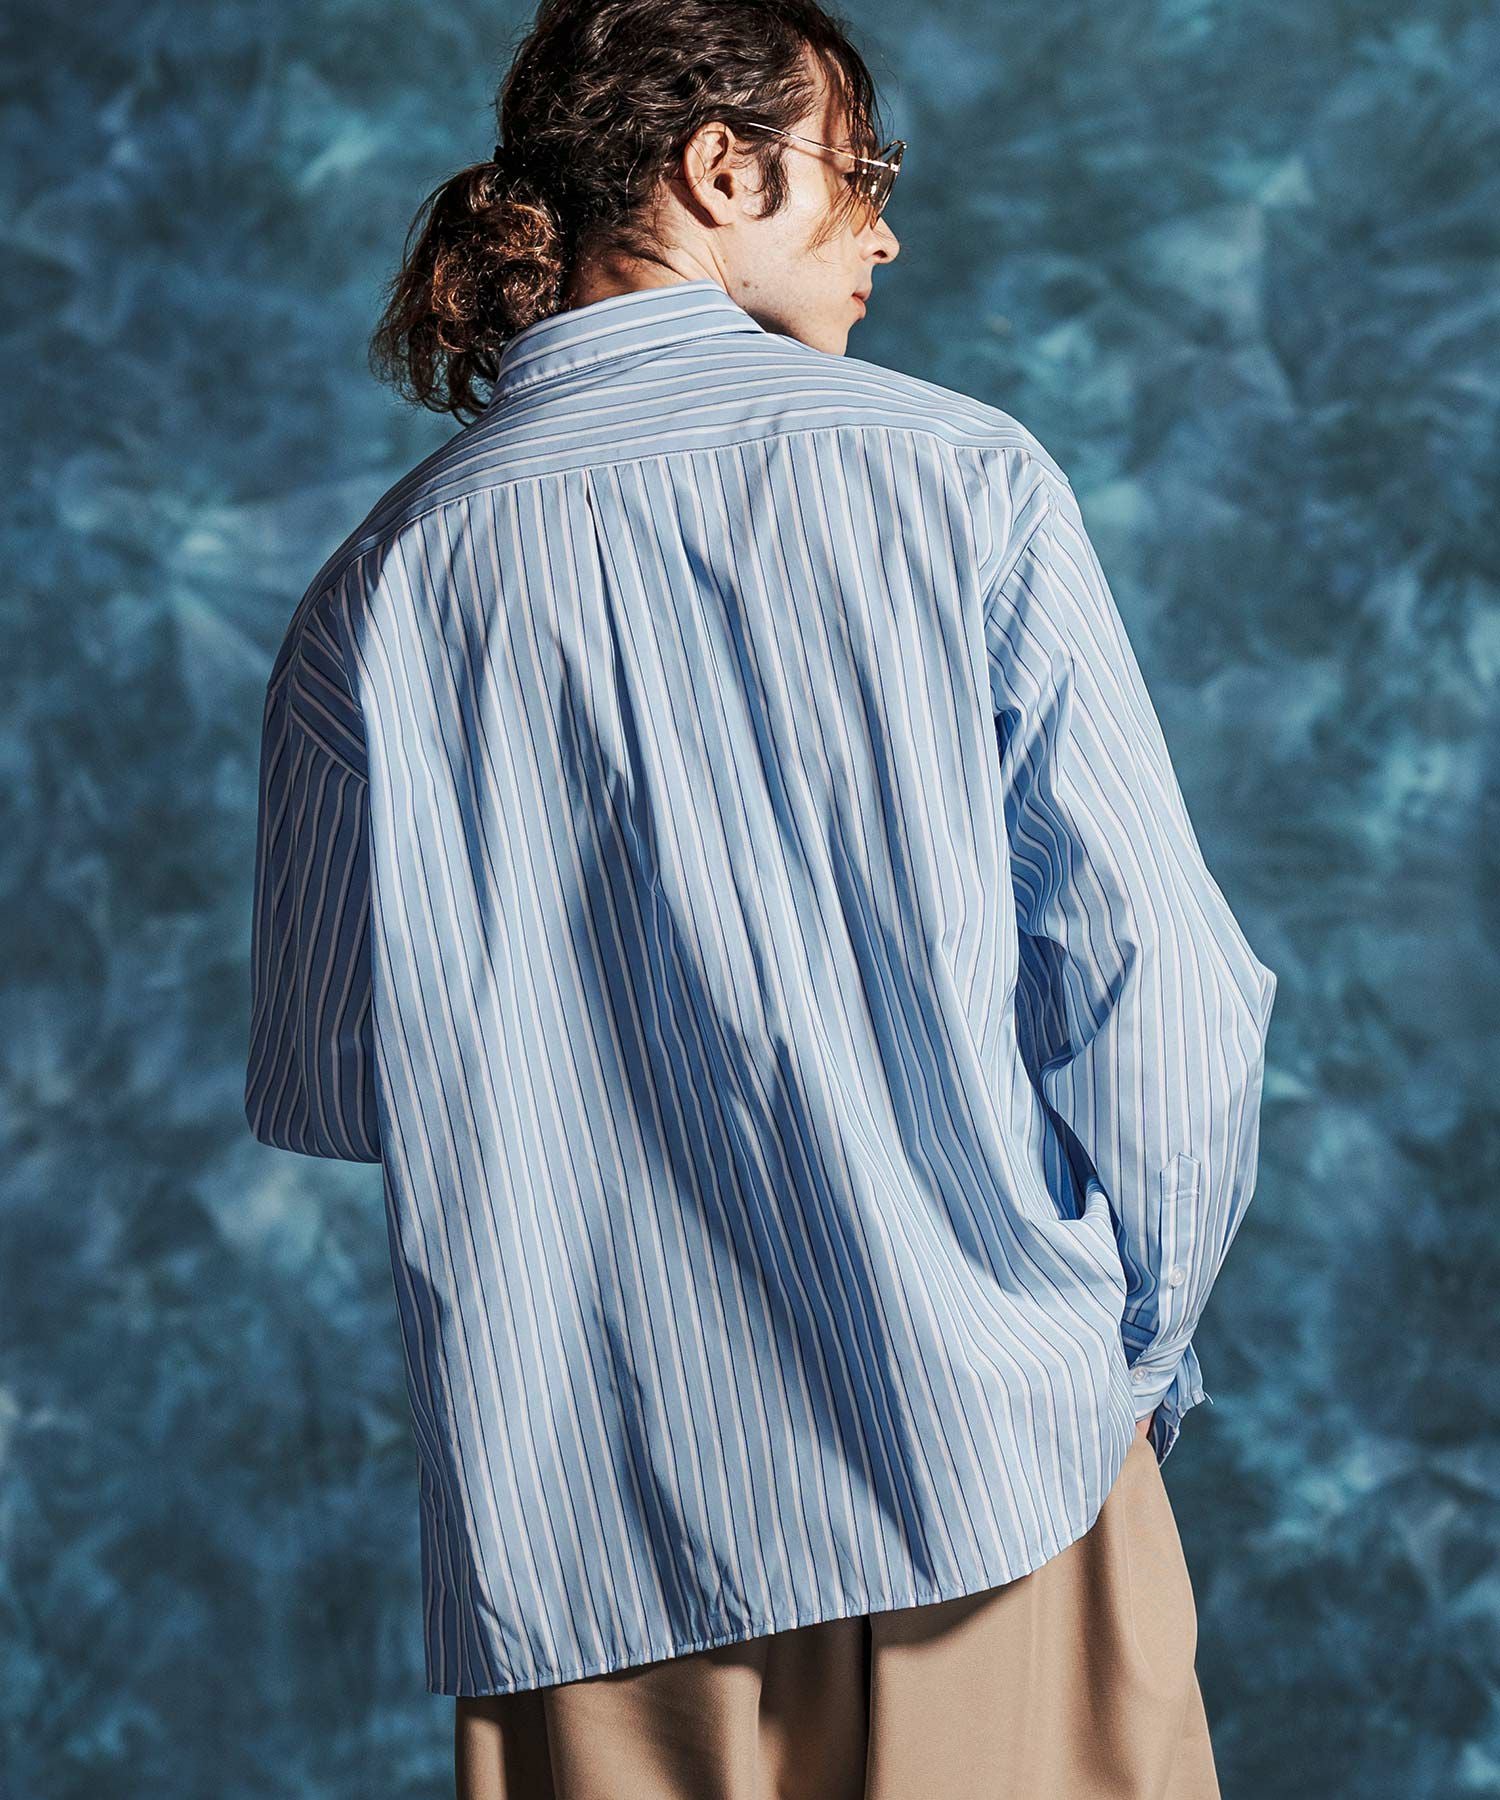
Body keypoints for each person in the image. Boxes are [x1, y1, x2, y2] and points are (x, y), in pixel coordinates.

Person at [244, 0, 1277, 1792]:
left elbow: (345, 1085)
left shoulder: (377, 593)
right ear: (725, 168)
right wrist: (1122, 1362)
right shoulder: (957, 476)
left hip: (592, 1544)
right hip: (988, 1467)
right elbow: (1159, 996)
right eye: (862, 169)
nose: (887, 230)